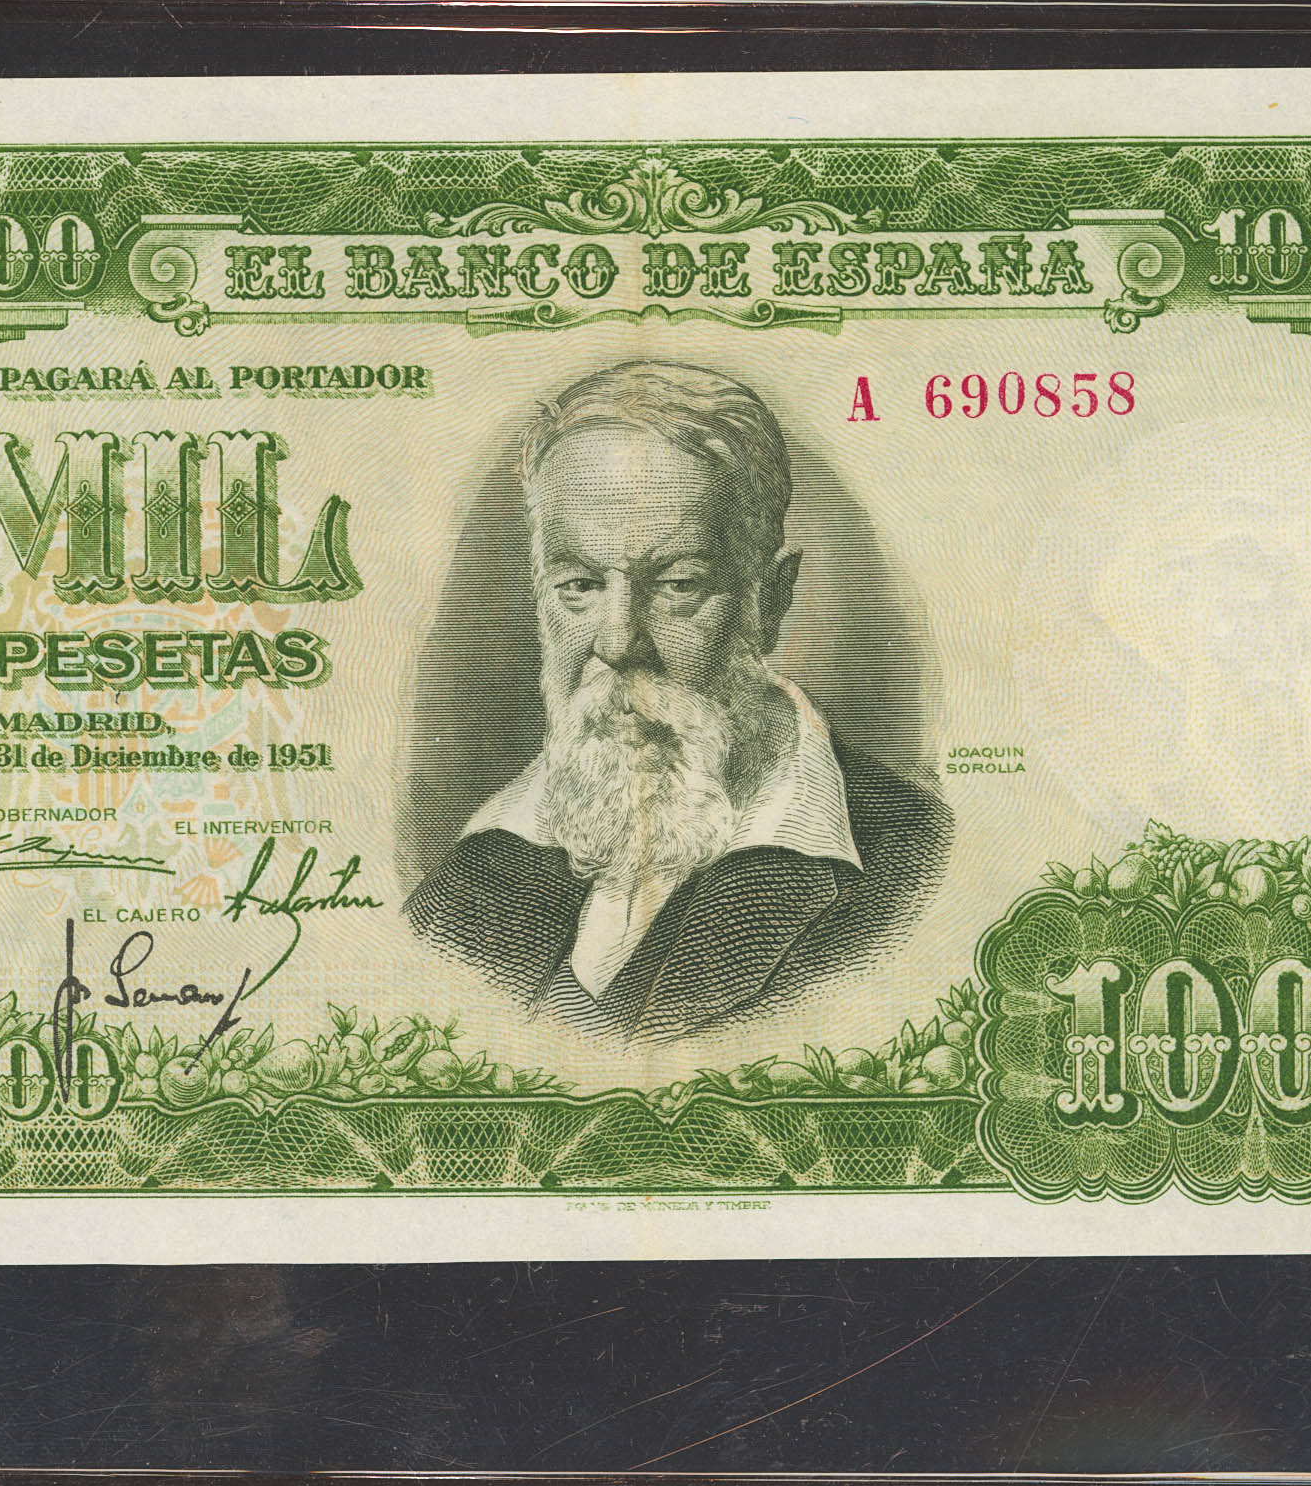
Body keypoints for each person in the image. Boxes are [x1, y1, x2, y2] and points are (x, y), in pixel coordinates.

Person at [405, 361, 951, 1038]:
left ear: (770, 601)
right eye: (579, 585)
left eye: (678, 584)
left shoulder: (916, 867)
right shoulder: (467, 885)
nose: (617, 641)